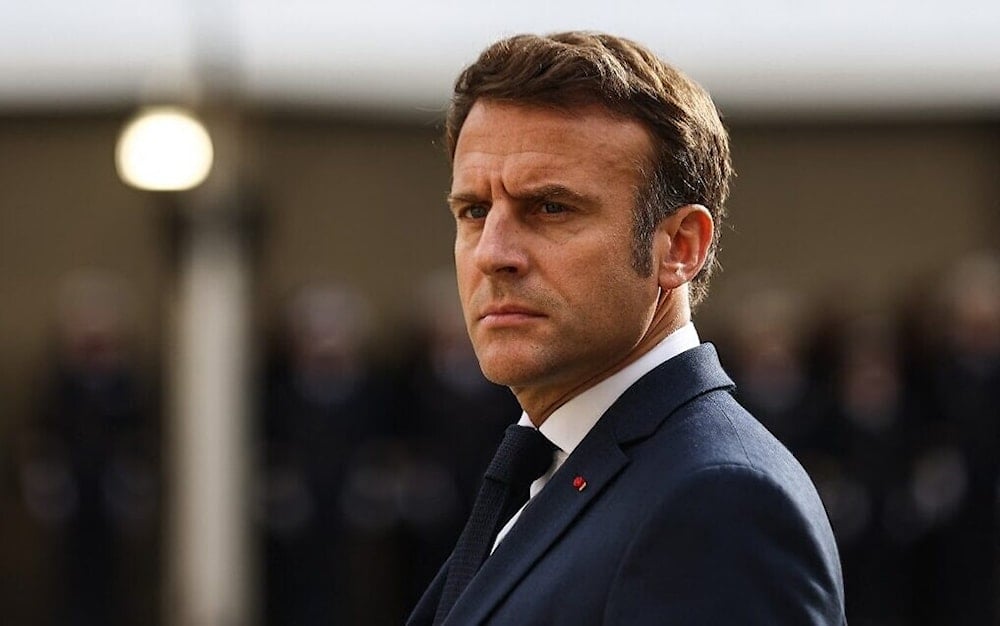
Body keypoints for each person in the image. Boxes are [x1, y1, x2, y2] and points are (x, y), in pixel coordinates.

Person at [408, 31, 846, 625]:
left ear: (679, 247)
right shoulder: (558, 461)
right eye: (475, 211)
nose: (493, 253)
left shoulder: (720, 502)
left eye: (551, 208)